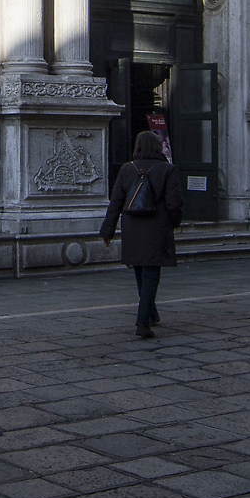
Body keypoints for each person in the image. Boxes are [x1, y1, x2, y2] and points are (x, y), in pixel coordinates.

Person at [100, 129, 185, 340]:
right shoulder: (167, 169)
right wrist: (174, 223)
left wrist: (107, 230)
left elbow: (116, 202)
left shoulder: (127, 169)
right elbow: (174, 203)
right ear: (157, 146)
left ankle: (151, 312)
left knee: (141, 272)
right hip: (156, 227)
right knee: (151, 275)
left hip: (133, 228)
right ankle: (142, 321)